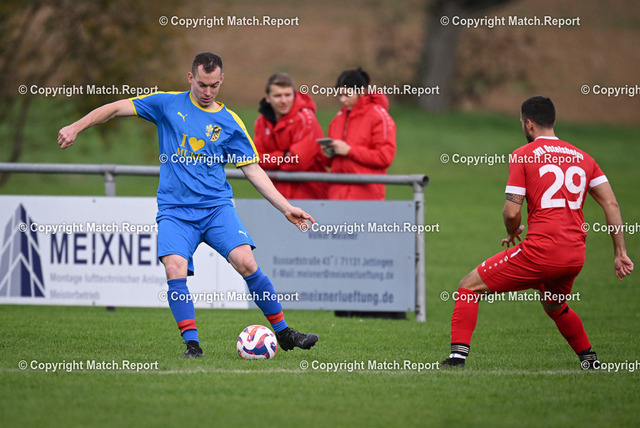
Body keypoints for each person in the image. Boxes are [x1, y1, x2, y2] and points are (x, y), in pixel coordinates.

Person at [57, 52, 319, 357]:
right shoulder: (166, 104)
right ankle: (192, 345)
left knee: (247, 263)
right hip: (176, 212)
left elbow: (252, 168)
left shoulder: (229, 121)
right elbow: (115, 108)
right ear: (190, 78)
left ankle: (284, 333)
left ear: (222, 80)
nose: (208, 92)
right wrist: (76, 126)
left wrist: (286, 207)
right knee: (174, 268)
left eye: (214, 85)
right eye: (202, 85)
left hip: (216, 208)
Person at [441, 96, 634, 369]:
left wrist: (512, 231)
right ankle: (590, 361)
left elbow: (511, 212)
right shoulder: (584, 158)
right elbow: (611, 204)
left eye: (522, 122)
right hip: (574, 255)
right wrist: (620, 253)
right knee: (554, 305)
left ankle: (456, 359)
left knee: (468, 287)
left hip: (541, 251)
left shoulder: (522, 155)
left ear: (528, 124)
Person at [321, 68, 396, 200]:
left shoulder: (379, 116)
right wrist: (328, 153)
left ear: (361, 92)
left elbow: (385, 157)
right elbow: (331, 163)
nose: (342, 100)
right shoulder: (337, 119)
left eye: (347, 95)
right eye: (340, 95)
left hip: (366, 196)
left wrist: (350, 151)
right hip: (337, 195)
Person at [253, 72, 327, 199]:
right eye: (278, 96)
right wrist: (284, 156)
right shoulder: (261, 122)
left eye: (287, 95)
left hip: (310, 196)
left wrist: (272, 160)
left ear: (294, 94)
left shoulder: (306, 119)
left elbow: (299, 162)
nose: (283, 101)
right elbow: (256, 159)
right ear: (268, 98)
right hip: (276, 198)